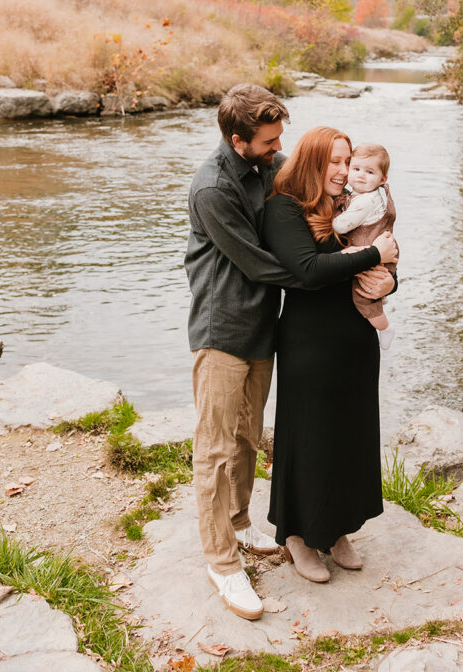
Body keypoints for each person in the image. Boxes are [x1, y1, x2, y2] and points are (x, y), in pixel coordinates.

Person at [262, 126, 398, 583]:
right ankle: (297, 536)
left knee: (350, 433)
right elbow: (309, 270)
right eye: (333, 162)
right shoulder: (285, 208)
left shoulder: (350, 205)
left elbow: (381, 258)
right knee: (309, 433)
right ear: (312, 163)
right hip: (310, 338)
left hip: (355, 335)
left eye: (347, 161)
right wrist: (374, 254)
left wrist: (390, 279)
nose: (342, 171)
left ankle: (338, 530)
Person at [184, 84, 297, 621]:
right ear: (238, 140)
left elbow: (304, 190)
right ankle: (222, 563)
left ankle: (240, 523)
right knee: (214, 448)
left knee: (248, 435)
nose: (280, 148)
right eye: (271, 140)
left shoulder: (265, 165)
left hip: (259, 328)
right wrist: (320, 279)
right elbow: (257, 263)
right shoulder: (212, 188)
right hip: (221, 330)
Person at [332, 143, 397, 350]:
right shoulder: (374, 195)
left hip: (373, 254)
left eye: (369, 172)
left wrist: (330, 215)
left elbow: (340, 226)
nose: (360, 176)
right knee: (372, 291)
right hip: (379, 254)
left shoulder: (365, 201)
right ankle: (381, 307)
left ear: (382, 179)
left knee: (363, 298)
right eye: (356, 169)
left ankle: (385, 328)